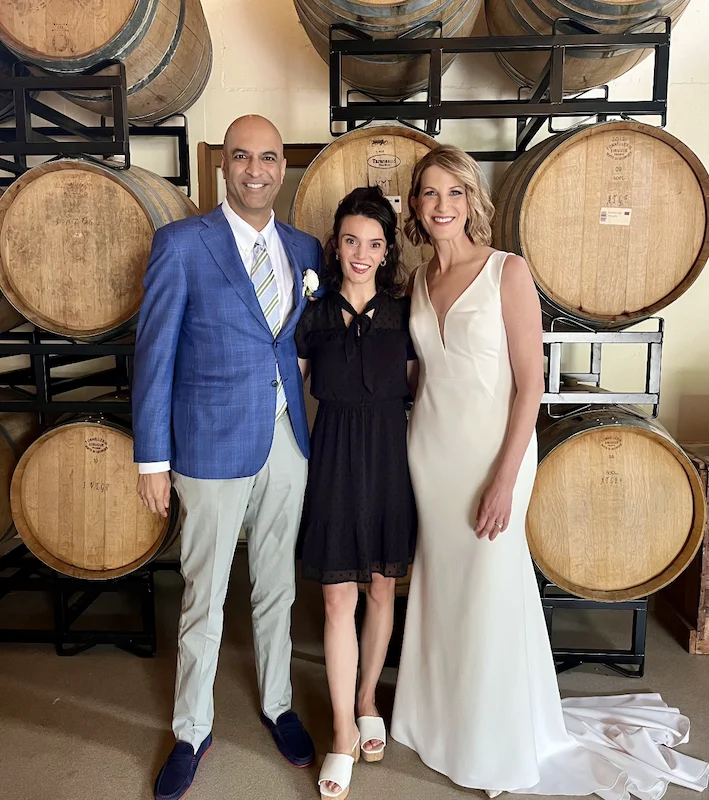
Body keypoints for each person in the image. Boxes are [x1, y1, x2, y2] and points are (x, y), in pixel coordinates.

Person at [390, 144, 709, 799]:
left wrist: (506, 477)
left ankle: (492, 736)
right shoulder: (416, 282)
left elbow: (529, 385)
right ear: (415, 207)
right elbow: (421, 376)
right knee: (444, 591)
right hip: (430, 452)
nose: (441, 205)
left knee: (490, 590)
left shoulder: (506, 271)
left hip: (491, 454)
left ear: (471, 201)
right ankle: (435, 719)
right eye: (429, 193)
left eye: (454, 192)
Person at [132, 115, 322, 800]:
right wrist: (152, 460)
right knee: (203, 595)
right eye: (241, 156)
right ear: (224, 167)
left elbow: (303, 345)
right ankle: (191, 728)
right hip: (209, 443)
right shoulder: (182, 245)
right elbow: (153, 357)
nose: (255, 170)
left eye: (268, 158)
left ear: (280, 167)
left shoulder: (305, 249)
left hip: (286, 442)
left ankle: (277, 704)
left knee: (278, 584)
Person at [295, 186, 417, 800]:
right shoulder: (312, 314)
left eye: (373, 243)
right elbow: (294, 391)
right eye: (350, 241)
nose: (361, 254)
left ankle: (369, 696)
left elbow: (426, 388)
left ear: (387, 248)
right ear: (335, 245)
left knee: (382, 586)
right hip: (335, 458)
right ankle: (343, 730)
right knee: (337, 599)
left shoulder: (405, 310)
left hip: (391, 459)